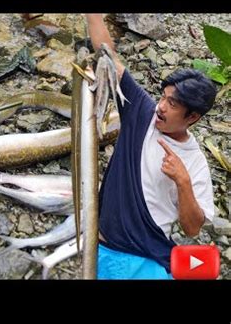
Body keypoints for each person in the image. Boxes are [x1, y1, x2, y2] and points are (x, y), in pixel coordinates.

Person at [85, 14, 217, 279]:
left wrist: (183, 181)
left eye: (173, 105)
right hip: (107, 250)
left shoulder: (195, 163)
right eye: (163, 97)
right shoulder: (142, 112)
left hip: (150, 260)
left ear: (193, 117)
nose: (161, 107)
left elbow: (192, 229)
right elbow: (109, 57)